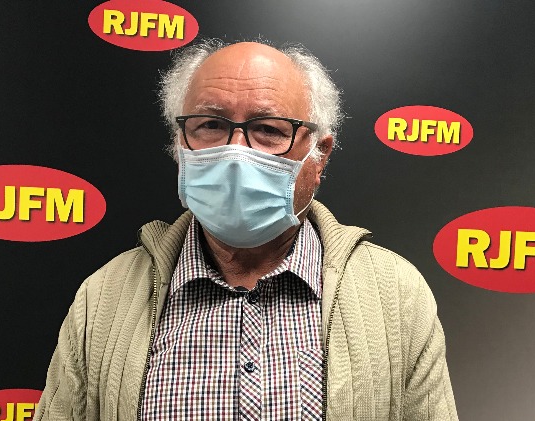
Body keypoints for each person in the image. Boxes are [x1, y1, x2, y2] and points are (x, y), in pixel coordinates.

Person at [35, 39, 458, 421]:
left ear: (319, 155)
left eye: (268, 130)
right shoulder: (103, 299)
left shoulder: (394, 296)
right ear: (180, 143)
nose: (235, 154)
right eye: (210, 125)